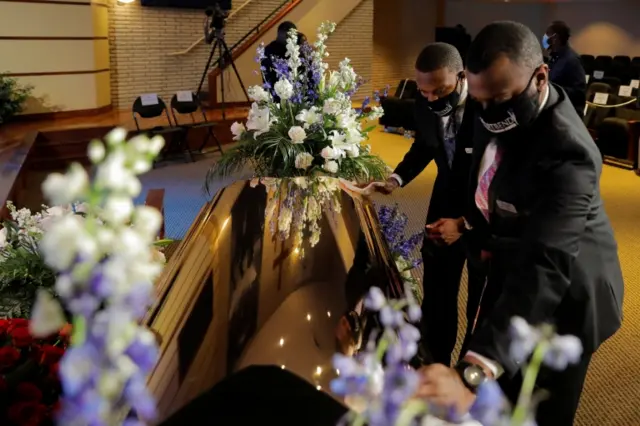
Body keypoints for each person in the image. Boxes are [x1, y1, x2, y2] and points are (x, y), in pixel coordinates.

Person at [416, 21, 624, 426]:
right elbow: (493, 187)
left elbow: (547, 264)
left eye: (500, 101)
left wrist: (476, 368)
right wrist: (469, 224)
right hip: (514, 266)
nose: (488, 116)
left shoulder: (570, 155)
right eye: (480, 102)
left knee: (538, 407)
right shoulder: (496, 104)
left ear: (540, 76)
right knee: (499, 390)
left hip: (568, 293)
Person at [373, 43, 485, 367]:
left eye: (440, 90)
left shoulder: (487, 107)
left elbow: (504, 184)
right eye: (425, 91)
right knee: (437, 297)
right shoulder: (424, 103)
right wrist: (395, 179)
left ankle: (470, 377)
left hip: (486, 218)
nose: (432, 98)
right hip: (443, 205)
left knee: (480, 303)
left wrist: (464, 223)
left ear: (461, 77)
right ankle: (436, 364)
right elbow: (425, 145)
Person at [543, 20, 587, 116]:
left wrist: (552, 89)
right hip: (554, 112)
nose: (545, 38)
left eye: (548, 34)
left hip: (567, 115)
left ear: (555, 38)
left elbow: (578, 92)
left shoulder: (572, 60)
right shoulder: (554, 58)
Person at [261, 21, 297, 94]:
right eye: (288, 36)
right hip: (275, 91)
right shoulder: (269, 50)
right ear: (280, 33)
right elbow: (267, 75)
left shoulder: (295, 49)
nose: (289, 39)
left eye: (293, 36)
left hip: (294, 91)